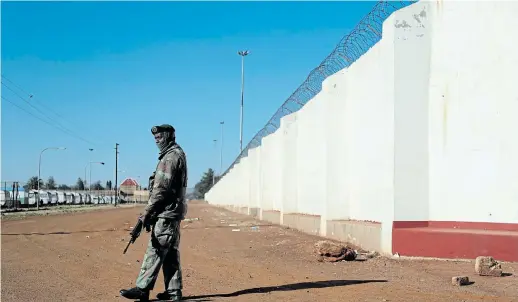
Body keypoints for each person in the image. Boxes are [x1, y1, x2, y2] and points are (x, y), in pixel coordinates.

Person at [120, 124, 188, 302]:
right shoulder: (175, 154)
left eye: (160, 137)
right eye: (155, 138)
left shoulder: (170, 157)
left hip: (166, 212)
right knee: (170, 252)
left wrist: (146, 215)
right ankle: (174, 291)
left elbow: (160, 190)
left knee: (156, 249)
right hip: (172, 212)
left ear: (169, 137)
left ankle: (142, 288)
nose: (157, 141)